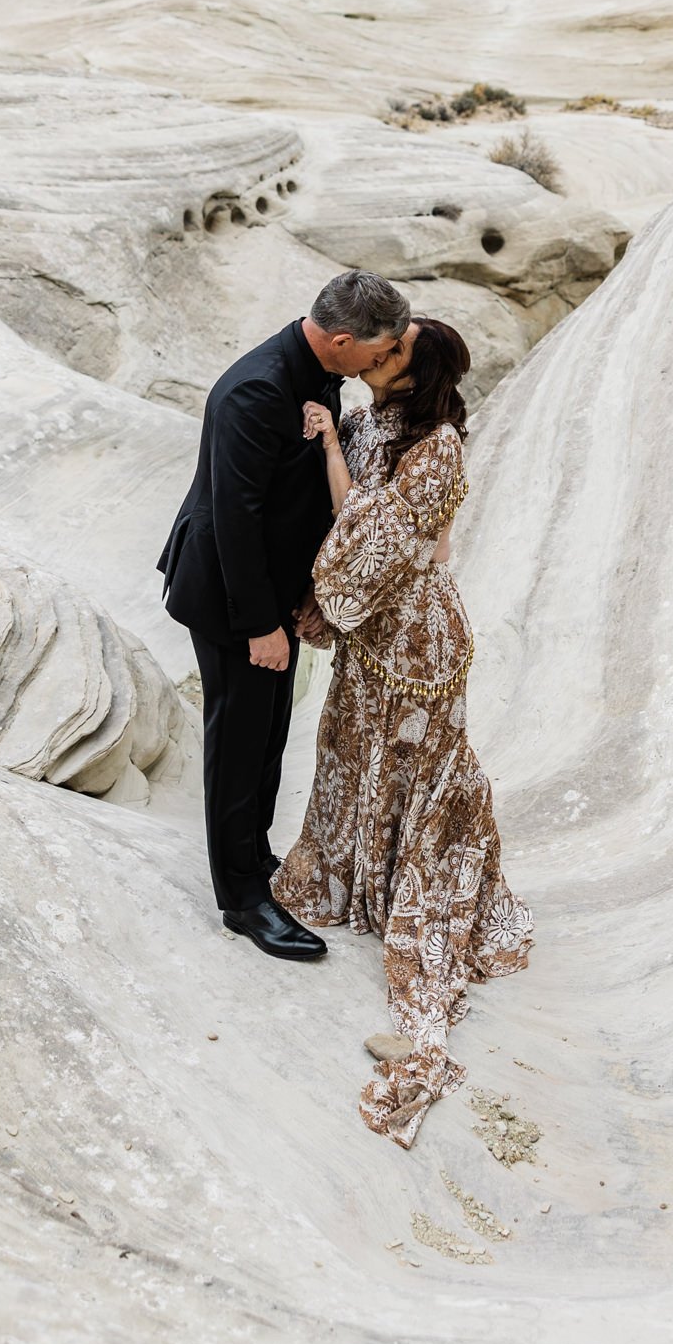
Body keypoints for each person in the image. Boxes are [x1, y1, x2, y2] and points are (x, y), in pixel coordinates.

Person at [273, 317, 532, 1144]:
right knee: (353, 748)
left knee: (415, 764)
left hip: (416, 636)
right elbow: (360, 530)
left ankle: (409, 895)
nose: (377, 354)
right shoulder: (368, 418)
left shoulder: (439, 449)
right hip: (373, 635)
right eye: (382, 345)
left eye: (393, 353)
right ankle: (360, 881)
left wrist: (329, 454)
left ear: (413, 377)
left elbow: (369, 536)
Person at [158, 271, 412, 958]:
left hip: (272, 592)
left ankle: (252, 861)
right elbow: (235, 520)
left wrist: (306, 593)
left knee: (267, 736)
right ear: (340, 339)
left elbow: (291, 504)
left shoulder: (318, 375)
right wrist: (259, 626)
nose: (379, 364)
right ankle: (242, 902)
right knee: (239, 743)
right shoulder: (256, 390)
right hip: (229, 596)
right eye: (377, 351)